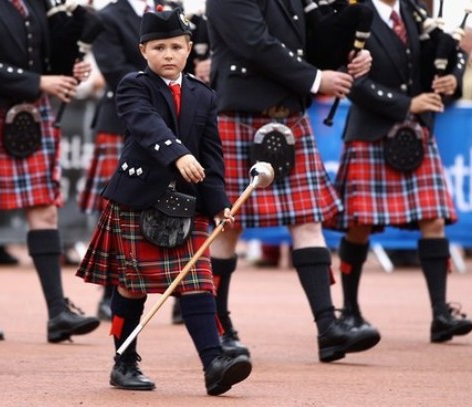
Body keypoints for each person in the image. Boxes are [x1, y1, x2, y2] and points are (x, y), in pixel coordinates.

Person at [77, 7, 257, 395]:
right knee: (131, 287)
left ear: (190, 48)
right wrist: (176, 153)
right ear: (144, 51)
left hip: (187, 204)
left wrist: (219, 204)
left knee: (197, 281)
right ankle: (123, 363)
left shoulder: (203, 95)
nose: (169, 54)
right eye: (159, 47)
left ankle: (214, 364)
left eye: (176, 46)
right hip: (138, 199)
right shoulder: (132, 85)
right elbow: (145, 124)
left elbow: (211, 156)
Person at [205, 0, 380, 362]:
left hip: (289, 116)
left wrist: (349, 58)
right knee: (227, 224)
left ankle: (328, 329)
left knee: (307, 220)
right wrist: (317, 79)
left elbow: (314, 41)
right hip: (239, 115)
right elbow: (253, 42)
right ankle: (217, 327)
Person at [0, 0, 100, 342]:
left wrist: (66, 70)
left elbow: (44, 55)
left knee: (45, 210)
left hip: (32, 114)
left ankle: (57, 312)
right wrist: (39, 82)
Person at [327, 0, 472, 343]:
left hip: (414, 131)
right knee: (360, 225)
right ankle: (349, 310)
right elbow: (355, 85)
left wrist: (452, 77)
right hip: (372, 131)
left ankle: (440, 313)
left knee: (434, 219)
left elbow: (439, 57)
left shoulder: (414, 12)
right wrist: (407, 104)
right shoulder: (355, 15)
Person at [79, 0, 164, 322]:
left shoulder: (170, 8)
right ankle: (108, 293)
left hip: (175, 121)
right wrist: (168, 85)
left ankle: (184, 296)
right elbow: (116, 70)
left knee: (177, 204)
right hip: (121, 122)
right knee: (119, 213)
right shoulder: (108, 16)